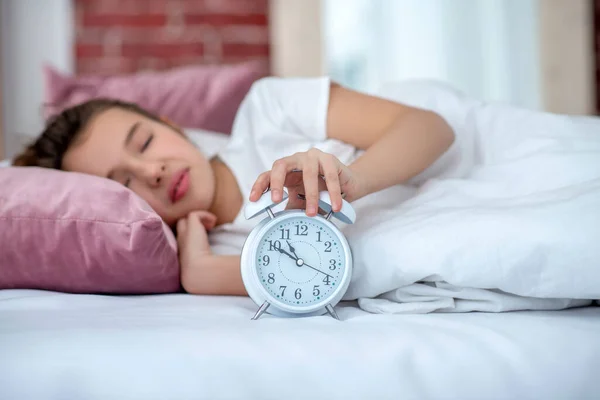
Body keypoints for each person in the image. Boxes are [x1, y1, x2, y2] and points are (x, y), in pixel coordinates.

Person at [13, 77, 455, 296]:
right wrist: (199, 275)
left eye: (145, 142)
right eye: (124, 184)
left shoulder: (270, 110)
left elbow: (430, 127)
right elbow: (326, 278)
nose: (152, 172)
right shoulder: (213, 251)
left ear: (170, 125)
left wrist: (354, 178)